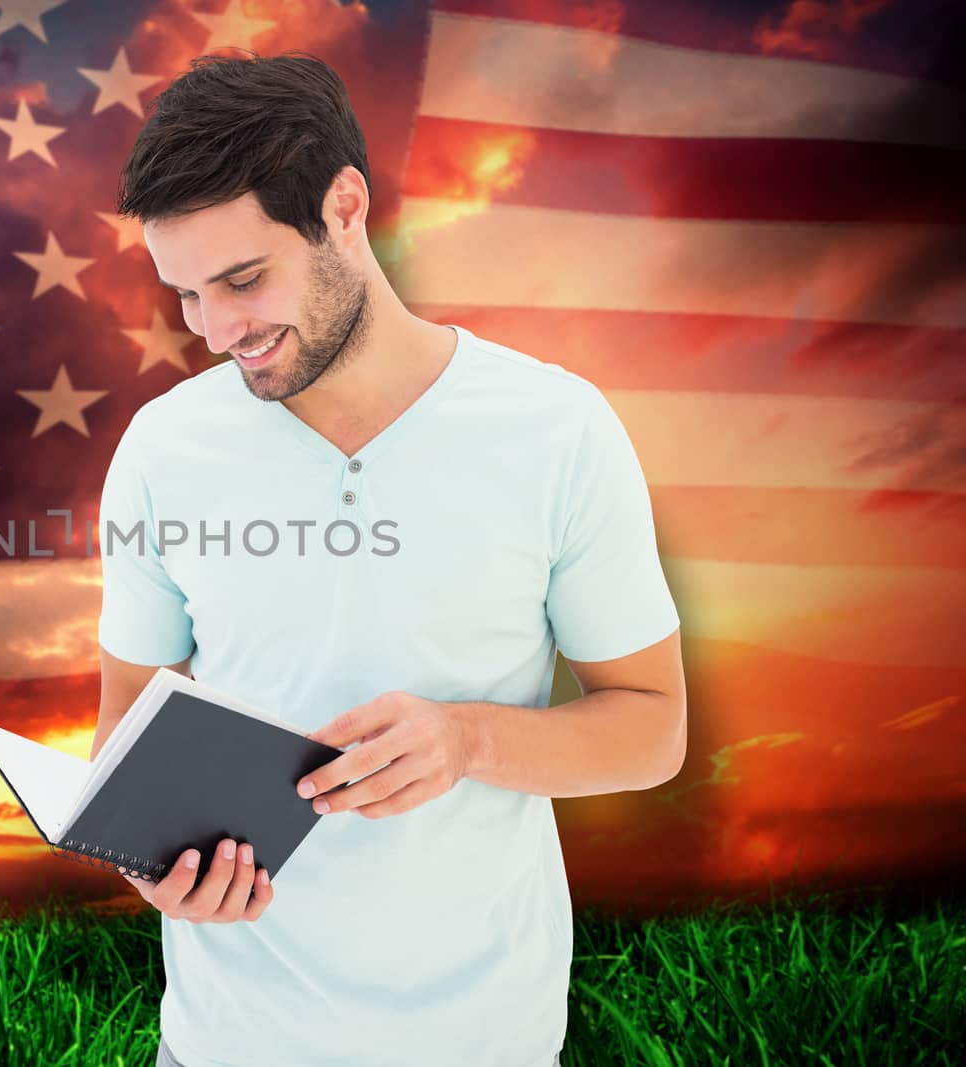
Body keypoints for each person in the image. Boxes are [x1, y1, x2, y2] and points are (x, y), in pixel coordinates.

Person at [91, 50, 687, 1067]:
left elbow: (652, 727)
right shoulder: (162, 446)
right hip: (222, 1042)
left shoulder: (555, 427)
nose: (216, 330)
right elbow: (122, 745)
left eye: (242, 278)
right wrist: (151, 868)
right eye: (186, 294)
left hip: (484, 1039)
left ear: (344, 206)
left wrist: (465, 740)